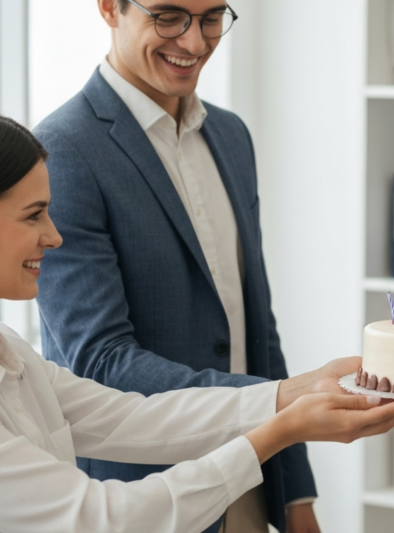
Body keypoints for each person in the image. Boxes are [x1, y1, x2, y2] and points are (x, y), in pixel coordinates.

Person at [0, 114, 394, 532]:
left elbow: (134, 418)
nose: (54, 236)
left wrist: (294, 393)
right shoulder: (71, 141)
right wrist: (278, 431)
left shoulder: (14, 353)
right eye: (34, 215)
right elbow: (104, 518)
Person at [33, 1, 318, 531]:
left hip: (254, 482)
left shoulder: (231, 136)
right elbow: (101, 361)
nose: (194, 43)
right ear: (109, 8)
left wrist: (296, 494)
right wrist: (277, 402)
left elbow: (256, 327)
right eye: (168, 16)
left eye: (211, 18)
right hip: (145, 498)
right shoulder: (62, 149)